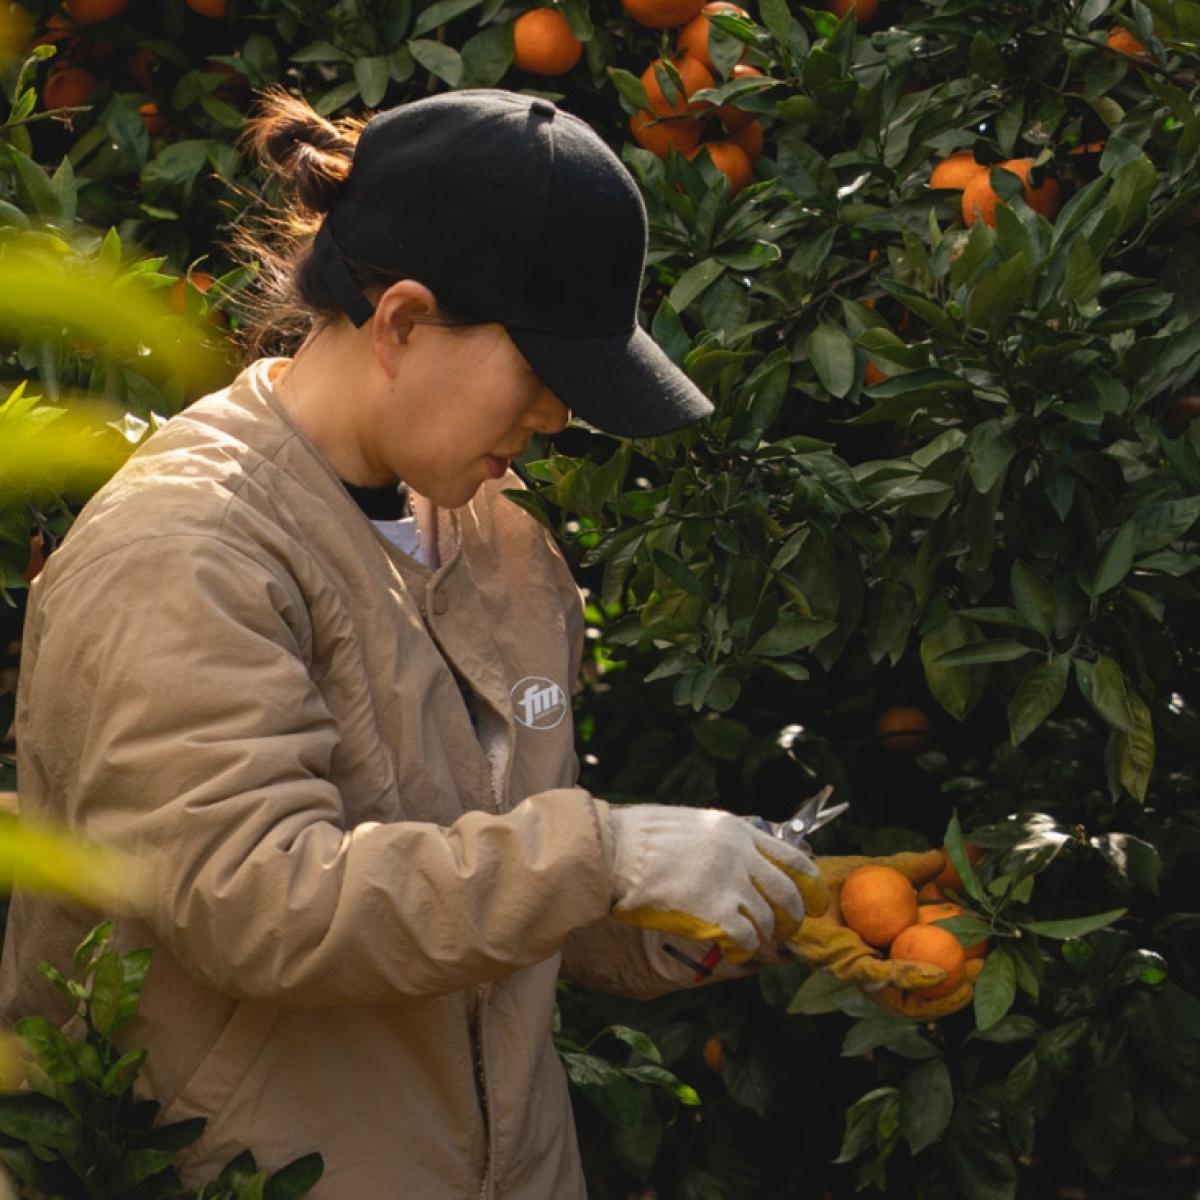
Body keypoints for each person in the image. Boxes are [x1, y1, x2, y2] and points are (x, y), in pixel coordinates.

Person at [0, 87, 831, 1197]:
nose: (557, 421)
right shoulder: (186, 550)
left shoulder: (498, 546)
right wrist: (607, 855)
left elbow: (484, 885)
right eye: (543, 377)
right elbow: (253, 902)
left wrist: (685, 910)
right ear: (400, 321)